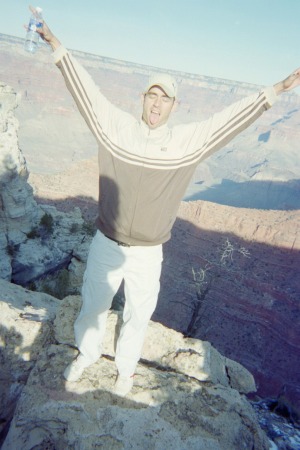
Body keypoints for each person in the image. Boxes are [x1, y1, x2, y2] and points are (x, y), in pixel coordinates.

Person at [34, 8, 300, 396]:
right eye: (152, 96)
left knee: (137, 316)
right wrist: (56, 45)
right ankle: (87, 354)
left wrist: (275, 90)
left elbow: (230, 119)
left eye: (165, 100)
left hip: (148, 251)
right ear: (142, 99)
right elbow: (85, 89)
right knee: (94, 305)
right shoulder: (114, 128)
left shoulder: (185, 144)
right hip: (107, 242)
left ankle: (125, 370)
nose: (157, 105)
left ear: (174, 107)